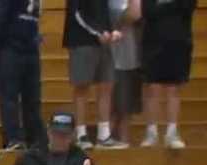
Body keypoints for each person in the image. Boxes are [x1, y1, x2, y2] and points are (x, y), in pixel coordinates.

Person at [63, 0, 124, 148]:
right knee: (82, 87)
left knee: (106, 85)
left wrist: (111, 30)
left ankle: (104, 134)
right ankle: (81, 134)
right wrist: (97, 31)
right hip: (82, 41)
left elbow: (104, 12)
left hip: (103, 41)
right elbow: (76, 13)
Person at [140, 0, 195, 150]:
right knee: (152, 88)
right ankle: (151, 133)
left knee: (174, 89)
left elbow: (187, 7)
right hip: (153, 43)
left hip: (179, 42)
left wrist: (163, 5)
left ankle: (172, 133)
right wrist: (171, 5)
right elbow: (148, 11)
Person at [0, 0, 45, 151]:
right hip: (10, 49)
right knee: (9, 97)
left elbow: (33, 19)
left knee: (32, 97)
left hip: (31, 49)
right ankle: (13, 138)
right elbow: (0, 15)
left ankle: (34, 139)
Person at [108, 0, 142, 147]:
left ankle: (124, 141)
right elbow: (132, 15)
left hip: (133, 57)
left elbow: (137, 15)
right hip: (112, 58)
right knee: (114, 106)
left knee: (127, 106)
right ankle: (110, 139)